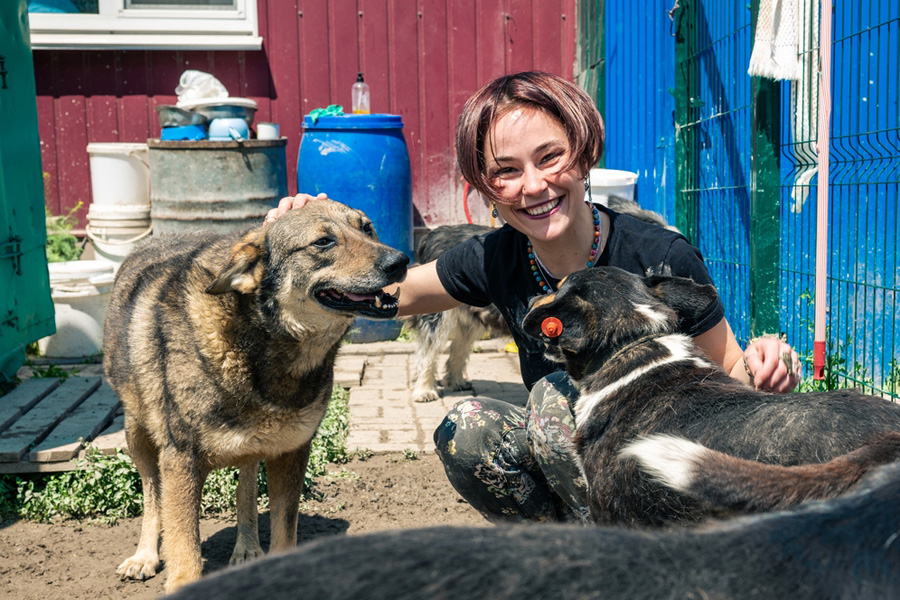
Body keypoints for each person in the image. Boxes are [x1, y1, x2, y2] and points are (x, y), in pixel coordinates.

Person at [267, 70, 801, 524]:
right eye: (506, 170)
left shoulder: (660, 257)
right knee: (469, 430)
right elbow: (392, 294)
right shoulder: (497, 256)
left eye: (551, 157)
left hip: (670, 472)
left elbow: (731, 375)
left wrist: (768, 364)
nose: (534, 186)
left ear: (585, 152)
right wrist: (314, 241)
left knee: (551, 400)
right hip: (583, 469)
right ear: (484, 186)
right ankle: (567, 547)